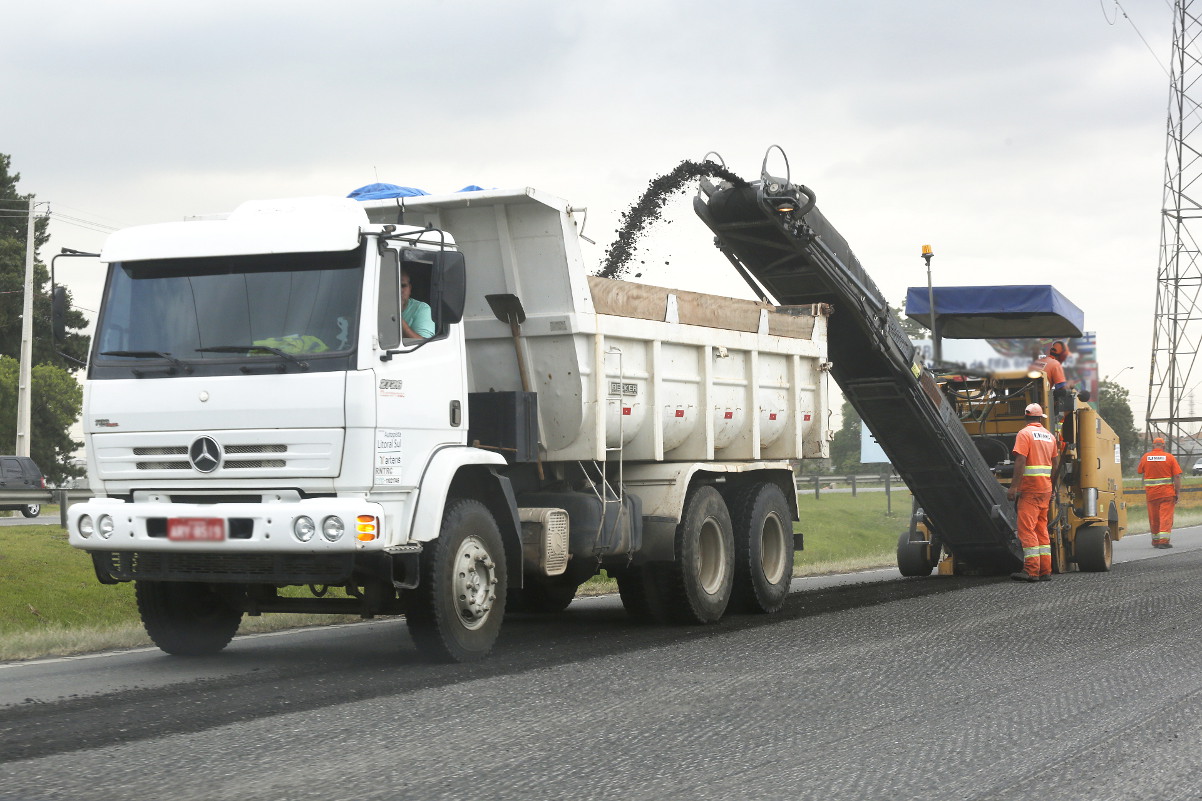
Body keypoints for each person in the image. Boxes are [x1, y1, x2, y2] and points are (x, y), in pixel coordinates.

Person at [1007, 402, 1060, 582]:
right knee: (1041, 529)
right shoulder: (1049, 436)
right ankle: (1045, 570)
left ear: (1026, 417)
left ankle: (1031, 571)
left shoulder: (1025, 434)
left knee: (1027, 530)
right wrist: (1051, 487)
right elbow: (1056, 463)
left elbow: (1021, 460)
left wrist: (1014, 487)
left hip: (1030, 489)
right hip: (1044, 489)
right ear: (1040, 418)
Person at [1138, 436, 1182, 549]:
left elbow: (1140, 471)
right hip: (1167, 493)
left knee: (1154, 518)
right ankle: (1163, 541)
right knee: (1166, 517)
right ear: (1164, 446)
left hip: (1151, 494)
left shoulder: (1146, 457)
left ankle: (1156, 541)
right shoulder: (1169, 457)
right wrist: (1177, 492)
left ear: (1153, 446)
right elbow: (1177, 476)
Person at [401, 269, 435, 339]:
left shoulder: (421, 309)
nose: (399, 290)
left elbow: (424, 344)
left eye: (403, 286)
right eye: (394, 286)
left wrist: (397, 319)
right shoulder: (375, 307)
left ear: (410, 289)